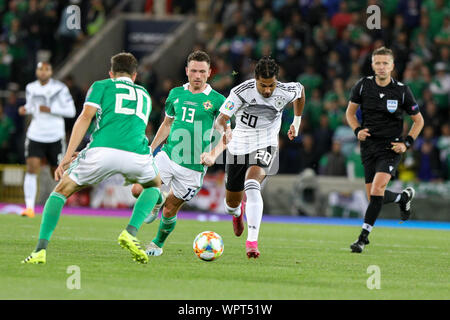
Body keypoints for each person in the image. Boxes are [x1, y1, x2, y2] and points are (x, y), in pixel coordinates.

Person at [22, 52, 163, 264]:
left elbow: (85, 118)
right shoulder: (145, 94)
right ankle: (130, 232)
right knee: (154, 187)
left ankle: (40, 251)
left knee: (60, 191)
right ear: (134, 76)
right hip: (137, 153)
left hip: (102, 151)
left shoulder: (101, 85)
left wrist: (67, 157)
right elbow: (127, 127)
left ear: (111, 73)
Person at [131, 51, 229, 257]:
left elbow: (229, 135)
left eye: (202, 71)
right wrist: (151, 149)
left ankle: (157, 243)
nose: (197, 75)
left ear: (209, 73)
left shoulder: (218, 100)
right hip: (168, 155)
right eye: (193, 71)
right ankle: (156, 199)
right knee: (137, 189)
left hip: (193, 168)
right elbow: (167, 124)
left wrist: (213, 154)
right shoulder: (175, 94)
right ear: (187, 71)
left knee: (170, 210)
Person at [215, 57, 305, 258]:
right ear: (255, 79)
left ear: (277, 80)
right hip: (238, 146)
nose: (267, 90)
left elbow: (300, 92)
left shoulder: (285, 90)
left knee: (252, 183)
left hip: (266, 144)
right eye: (263, 86)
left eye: (271, 85)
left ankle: (252, 241)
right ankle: (238, 213)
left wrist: (296, 122)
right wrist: (226, 130)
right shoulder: (241, 92)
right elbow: (221, 119)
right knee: (230, 206)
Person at [346, 47, 424, 253]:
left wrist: (406, 144)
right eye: (378, 63)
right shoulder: (363, 86)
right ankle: (402, 198)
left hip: (391, 148)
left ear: (392, 66)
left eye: (385, 63)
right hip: (368, 147)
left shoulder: (402, 90)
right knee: (373, 197)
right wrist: (357, 131)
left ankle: (362, 238)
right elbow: (350, 113)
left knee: (377, 190)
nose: (381, 67)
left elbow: (419, 121)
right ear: (372, 65)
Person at [18, 62, 76, 218]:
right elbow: (32, 106)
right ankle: (29, 208)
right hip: (36, 134)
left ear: (51, 72)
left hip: (55, 136)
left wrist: (51, 109)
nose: (43, 72)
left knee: (56, 172)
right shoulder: (31, 87)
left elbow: (71, 111)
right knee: (31, 169)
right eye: (40, 69)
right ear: (37, 71)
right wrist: (25, 109)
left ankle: (59, 206)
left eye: (46, 69)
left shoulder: (61, 89)